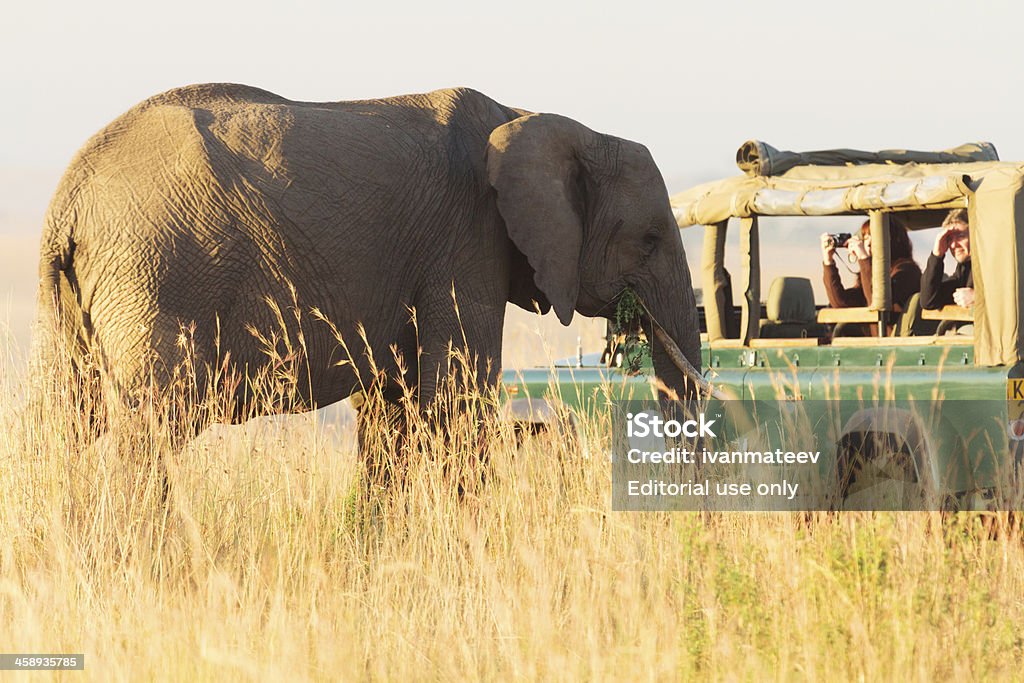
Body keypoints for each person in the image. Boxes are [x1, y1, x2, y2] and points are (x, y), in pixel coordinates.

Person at [820, 218, 922, 334]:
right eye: (865, 238)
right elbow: (841, 303)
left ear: (891, 240)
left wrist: (864, 259)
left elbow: (877, 300)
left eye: (874, 237)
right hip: (878, 345)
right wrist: (828, 262)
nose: (867, 243)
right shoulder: (869, 272)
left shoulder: (907, 271)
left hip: (897, 345)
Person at [920, 208, 973, 310]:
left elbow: (1010, 295)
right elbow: (928, 301)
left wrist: (977, 298)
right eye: (949, 239)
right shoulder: (963, 271)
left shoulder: (993, 263)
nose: (953, 245)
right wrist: (937, 256)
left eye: (960, 236)